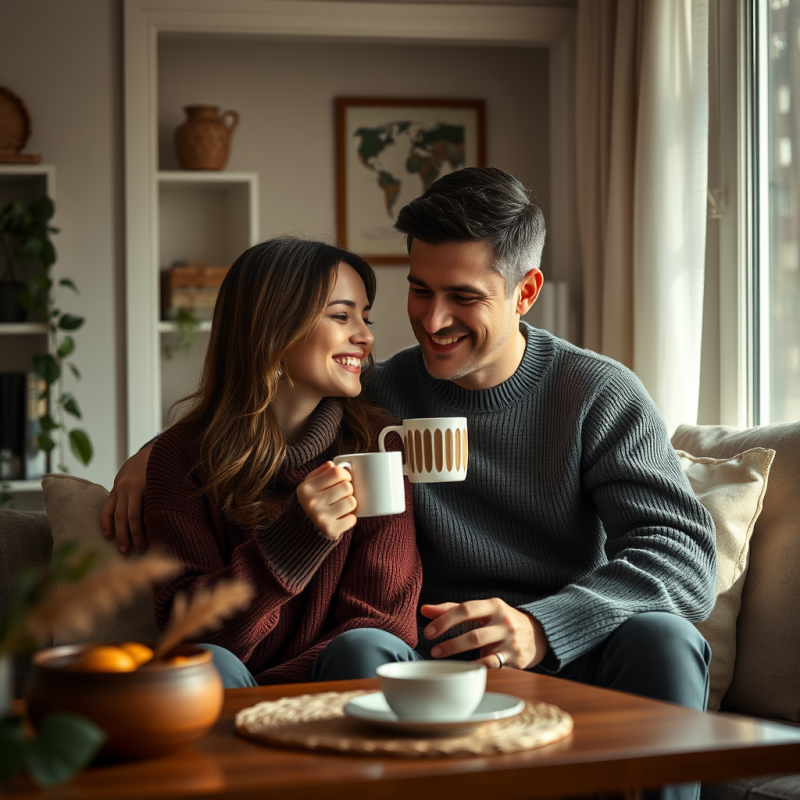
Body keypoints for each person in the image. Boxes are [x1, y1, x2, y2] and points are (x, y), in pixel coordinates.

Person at [104, 170, 715, 739]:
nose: (433, 319)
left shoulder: (595, 393)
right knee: (363, 651)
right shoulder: (378, 397)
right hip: (429, 656)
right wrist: (151, 455)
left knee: (666, 640)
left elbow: (684, 556)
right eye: (419, 290)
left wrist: (543, 627)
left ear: (526, 292)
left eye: (464, 297)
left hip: (567, 647)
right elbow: (263, 410)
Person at [138, 236, 422, 687]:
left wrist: (289, 689)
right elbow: (187, 629)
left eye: (365, 318)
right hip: (232, 688)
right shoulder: (180, 456)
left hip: (341, 685)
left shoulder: (377, 440)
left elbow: (385, 621)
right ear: (273, 328)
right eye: (341, 315)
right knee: (207, 663)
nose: (366, 336)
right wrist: (293, 542)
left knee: (365, 646)